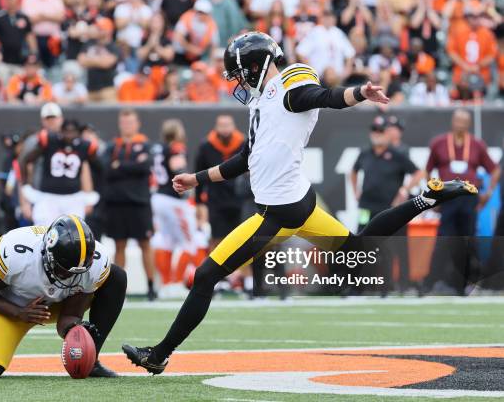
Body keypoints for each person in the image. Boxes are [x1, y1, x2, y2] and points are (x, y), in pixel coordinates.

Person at [122, 32, 478, 374]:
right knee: (360, 247)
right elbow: (246, 159)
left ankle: (159, 354)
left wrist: (360, 92)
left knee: (205, 276)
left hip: (276, 212)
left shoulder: (290, 89)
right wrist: (196, 179)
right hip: (299, 204)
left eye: (241, 75)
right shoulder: (264, 100)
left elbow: (325, 97)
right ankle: (427, 197)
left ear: (257, 66)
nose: (240, 83)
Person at [0, 215, 126, 378]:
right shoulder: (17, 252)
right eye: (64, 271)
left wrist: (76, 331)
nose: (70, 277)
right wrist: (18, 312)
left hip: (59, 304)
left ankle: (91, 361)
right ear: (48, 254)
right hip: (11, 305)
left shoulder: (95, 263)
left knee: (116, 277)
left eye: (77, 273)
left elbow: (70, 316)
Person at [424, 109, 500, 294]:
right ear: (452, 121)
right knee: (443, 240)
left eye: (464, 121)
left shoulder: (476, 144)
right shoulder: (439, 143)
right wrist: (433, 195)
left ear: (469, 124)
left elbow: (495, 169)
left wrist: (488, 192)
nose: (460, 124)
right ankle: (432, 283)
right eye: (458, 120)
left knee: (467, 241)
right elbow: (427, 170)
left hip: (468, 198)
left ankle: (465, 284)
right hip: (447, 197)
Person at [350, 115, 423, 294]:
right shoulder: (365, 153)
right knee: (362, 244)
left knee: (395, 247)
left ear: (387, 133)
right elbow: (352, 171)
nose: (377, 134)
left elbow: (419, 173)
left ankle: (397, 286)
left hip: (389, 209)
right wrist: (356, 191)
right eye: (374, 130)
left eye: (381, 131)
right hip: (366, 207)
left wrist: (405, 190)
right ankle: (361, 286)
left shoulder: (397, 155)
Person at [103, 109, 156, 301]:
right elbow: (106, 169)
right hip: (117, 203)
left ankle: (151, 287)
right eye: (124, 122)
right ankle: (118, 291)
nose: (127, 126)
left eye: (130, 122)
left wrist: (120, 166)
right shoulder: (112, 146)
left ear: (137, 123)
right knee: (119, 245)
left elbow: (145, 166)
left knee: (145, 243)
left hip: (139, 202)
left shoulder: (146, 144)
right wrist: (130, 165)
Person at [19, 119, 98, 226]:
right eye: (66, 131)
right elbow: (26, 160)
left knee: (75, 234)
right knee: (43, 231)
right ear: (60, 131)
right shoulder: (49, 141)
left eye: (72, 131)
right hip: (48, 197)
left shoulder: (85, 146)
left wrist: (89, 195)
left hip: (74, 198)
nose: (69, 135)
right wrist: (25, 183)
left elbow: (98, 170)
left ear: (78, 133)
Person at [151, 119, 197, 299]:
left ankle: (166, 284)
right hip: (173, 199)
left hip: (158, 197)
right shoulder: (176, 148)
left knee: (166, 241)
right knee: (189, 242)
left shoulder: (158, 149)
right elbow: (177, 169)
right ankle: (176, 282)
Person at [194, 114, 245, 250]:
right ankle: (216, 270)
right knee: (217, 238)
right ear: (216, 127)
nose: (225, 129)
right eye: (222, 126)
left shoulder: (243, 144)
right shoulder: (206, 146)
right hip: (216, 199)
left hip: (239, 198)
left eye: (228, 125)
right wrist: (199, 202)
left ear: (234, 127)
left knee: (242, 240)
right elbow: (199, 173)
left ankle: (244, 271)